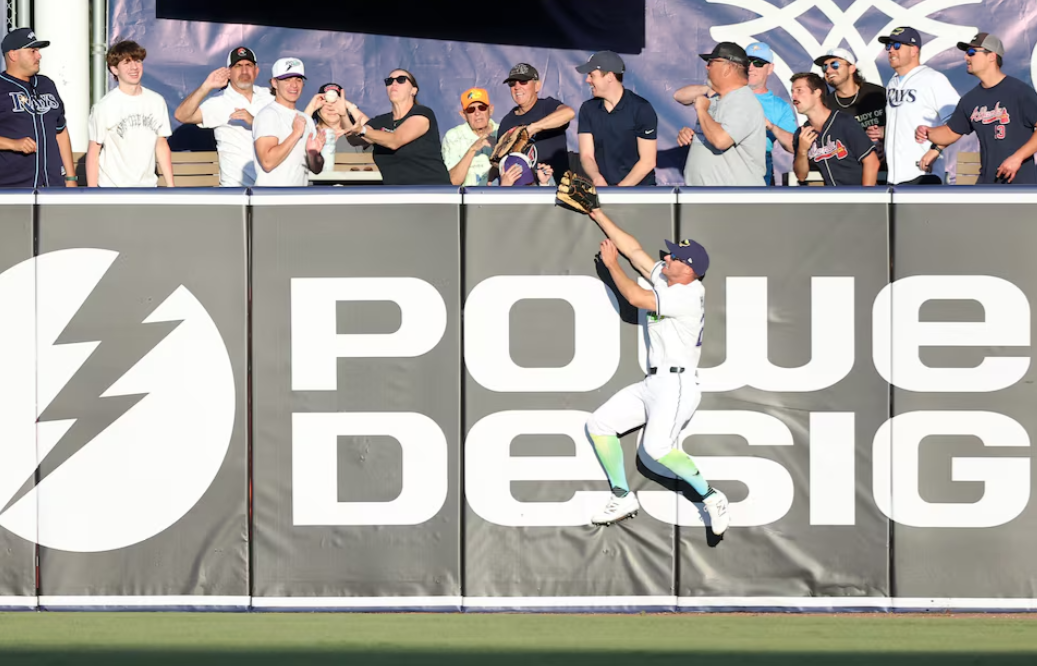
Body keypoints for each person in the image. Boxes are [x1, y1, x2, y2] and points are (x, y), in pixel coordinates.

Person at [575, 201, 730, 533]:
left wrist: (611, 265)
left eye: (674, 257)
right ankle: (622, 495)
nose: (667, 258)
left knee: (655, 449)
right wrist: (596, 212)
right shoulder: (670, 281)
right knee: (600, 423)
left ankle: (712, 496)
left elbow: (634, 297)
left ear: (688, 269)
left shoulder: (687, 294)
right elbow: (634, 250)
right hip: (654, 383)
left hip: (677, 385)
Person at [916, 33, 1037, 185]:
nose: (967, 57)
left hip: (1021, 185)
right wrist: (928, 132)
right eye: (966, 53)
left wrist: (1017, 158)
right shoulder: (970, 100)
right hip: (987, 183)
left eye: (972, 52)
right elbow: (949, 133)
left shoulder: (1019, 92)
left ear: (992, 56)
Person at [173, 46, 274, 187]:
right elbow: (181, 116)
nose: (244, 71)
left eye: (248, 65)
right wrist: (206, 86)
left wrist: (255, 122)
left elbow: (291, 127)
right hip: (236, 188)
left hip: (272, 184)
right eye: (238, 66)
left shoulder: (270, 96)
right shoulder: (219, 101)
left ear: (256, 71)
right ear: (229, 72)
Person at [677, 42, 766, 186]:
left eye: (711, 62)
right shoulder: (715, 99)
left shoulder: (743, 100)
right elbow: (678, 96)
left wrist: (701, 110)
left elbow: (721, 140)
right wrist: (693, 135)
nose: (707, 67)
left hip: (732, 202)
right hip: (709, 200)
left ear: (728, 68)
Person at [86, 40, 173, 187]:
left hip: (148, 188)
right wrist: (93, 195)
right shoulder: (104, 106)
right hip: (113, 190)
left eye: (138, 61)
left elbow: (161, 144)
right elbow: (94, 153)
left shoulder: (157, 101)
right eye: (126, 62)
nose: (134, 67)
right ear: (114, 69)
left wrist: (171, 187)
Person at [880, 26, 960, 184]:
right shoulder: (892, 82)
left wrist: (936, 150)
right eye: (889, 46)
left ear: (913, 50)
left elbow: (958, 121)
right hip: (895, 177)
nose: (891, 51)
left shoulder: (933, 78)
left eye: (897, 46)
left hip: (922, 174)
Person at [346, 69, 451, 185]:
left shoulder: (422, 113)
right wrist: (345, 109)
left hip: (432, 191)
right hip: (397, 193)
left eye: (401, 80)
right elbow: (356, 139)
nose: (394, 84)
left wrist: (362, 130)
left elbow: (395, 140)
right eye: (389, 81)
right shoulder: (382, 121)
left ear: (413, 90)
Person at [0, 27, 76, 188]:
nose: (39, 56)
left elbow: (60, 131)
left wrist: (70, 178)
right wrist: (12, 144)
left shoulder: (46, 84)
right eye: (32, 51)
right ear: (13, 54)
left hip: (53, 185)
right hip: (11, 187)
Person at [575, 51, 657, 186]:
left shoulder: (641, 108)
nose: (587, 80)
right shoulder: (587, 109)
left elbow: (648, 161)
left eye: (592, 75)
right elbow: (586, 155)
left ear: (609, 77)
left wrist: (619, 192)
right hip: (603, 191)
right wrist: (596, 178)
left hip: (640, 192)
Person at [791, 73, 879, 186]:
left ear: (817, 93)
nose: (794, 96)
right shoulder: (801, 133)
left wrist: (865, 199)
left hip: (857, 196)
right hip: (831, 200)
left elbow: (872, 162)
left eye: (799, 90)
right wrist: (802, 151)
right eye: (792, 91)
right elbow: (801, 176)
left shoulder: (844, 122)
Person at [251, 57, 324, 187]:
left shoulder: (306, 119)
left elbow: (316, 170)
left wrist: (314, 155)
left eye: (298, 79)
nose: (294, 85)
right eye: (287, 79)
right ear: (274, 83)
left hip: (299, 199)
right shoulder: (268, 115)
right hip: (271, 199)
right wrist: (296, 134)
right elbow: (267, 162)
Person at [495, 62, 575, 181]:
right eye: (512, 83)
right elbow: (500, 162)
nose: (517, 87)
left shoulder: (547, 106)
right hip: (521, 193)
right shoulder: (507, 121)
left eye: (523, 81)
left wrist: (532, 128)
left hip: (555, 190)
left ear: (537, 86)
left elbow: (569, 113)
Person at [814, 48, 886, 160]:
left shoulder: (878, 94)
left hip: (890, 169)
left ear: (851, 68)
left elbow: (903, 123)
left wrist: (884, 134)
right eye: (825, 67)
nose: (828, 70)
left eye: (835, 65)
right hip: (851, 171)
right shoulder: (826, 106)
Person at [744, 42, 797, 185]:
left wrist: (771, 126)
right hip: (723, 160)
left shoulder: (780, 107)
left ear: (770, 69)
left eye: (759, 63)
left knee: (756, 207)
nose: (751, 67)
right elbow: (681, 96)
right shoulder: (724, 94)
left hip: (758, 162)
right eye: (747, 61)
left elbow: (794, 146)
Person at [310, 82, 371, 175]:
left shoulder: (354, 135)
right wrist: (312, 106)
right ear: (318, 109)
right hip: (318, 188)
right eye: (326, 102)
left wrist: (349, 105)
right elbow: (295, 134)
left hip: (351, 188)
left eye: (336, 102)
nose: (331, 107)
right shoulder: (310, 134)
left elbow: (372, 131)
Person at [441, 87, 498, 186]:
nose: (477, 113)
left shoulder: (502, 132)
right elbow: (453, 182)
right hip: (466, 199)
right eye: (471, 109)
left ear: (491, 110)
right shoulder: (453, 137)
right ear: (463, 115)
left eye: (482, 107)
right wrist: (472, 149)